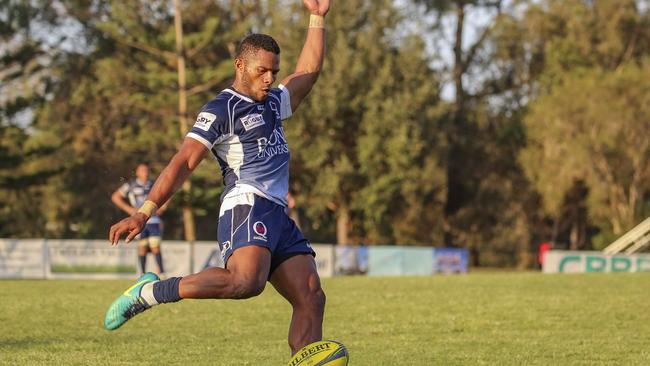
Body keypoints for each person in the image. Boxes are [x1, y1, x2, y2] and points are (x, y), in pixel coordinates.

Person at [104, 0, 330, 356]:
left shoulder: (272, 101)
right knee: (245, 282)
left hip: (277, 213)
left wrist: (316, 17)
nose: (269, 78)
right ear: (240, 65)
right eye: (262, 71)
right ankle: (149, 292)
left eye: (274, 71)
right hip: (247, 204)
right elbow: (183, 162)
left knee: (312, 295)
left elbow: (309, 72)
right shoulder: (221, 109)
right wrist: (144, 212)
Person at [111, 162, 166, 276]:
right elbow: (115, 197)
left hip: (154, 220)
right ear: (137, 173)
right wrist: (130, 209)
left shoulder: (154, 184)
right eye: (142, 171)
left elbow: (167, 192)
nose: (145, 173)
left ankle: (162, 273)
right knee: (142, 247)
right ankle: (142, 274)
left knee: (155, 245)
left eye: (146, 171)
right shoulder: (130, 185)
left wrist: (163, 206)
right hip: (138, 221)